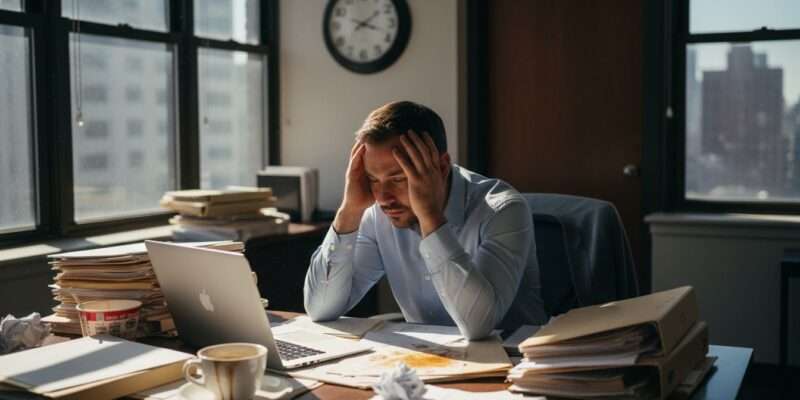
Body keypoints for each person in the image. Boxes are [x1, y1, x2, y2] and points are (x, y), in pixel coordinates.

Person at [304, 101, 546, 340]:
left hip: (512, 363)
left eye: (398, 179)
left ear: (440, 167)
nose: (383, 197)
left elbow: (478, 326)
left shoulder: (502, 210)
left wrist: (430, 217)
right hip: (429, 362)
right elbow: (320, 309)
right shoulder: (378, 213)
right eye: (373, 179)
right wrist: (349, 211)